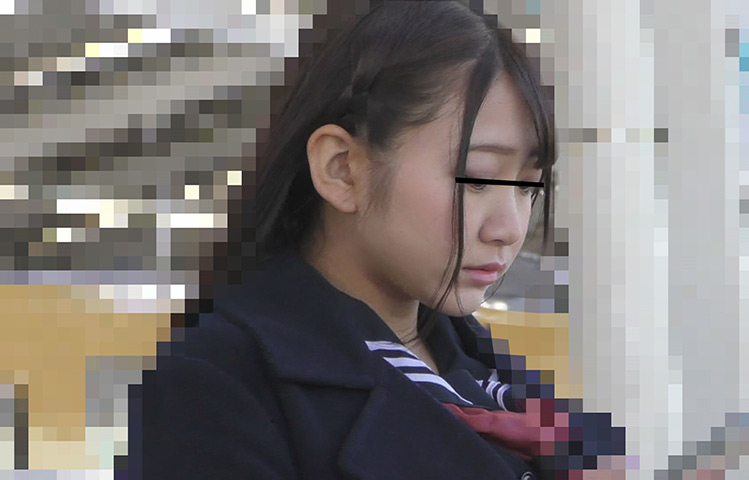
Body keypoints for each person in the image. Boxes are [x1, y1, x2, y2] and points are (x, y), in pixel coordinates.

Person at [127, 1, 625, 479]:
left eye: (528, 186)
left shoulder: (484, 367)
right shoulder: (215, 389)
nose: (510, 228)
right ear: (343, 169)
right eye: (477, 178)